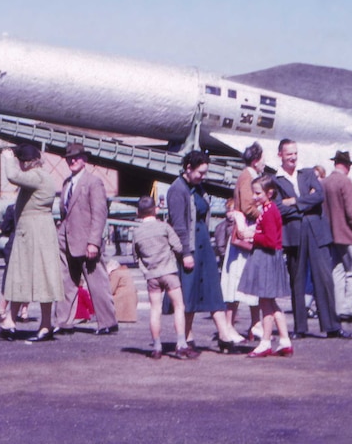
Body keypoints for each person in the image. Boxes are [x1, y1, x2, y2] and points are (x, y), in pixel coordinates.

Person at [273, 139, 352, 340]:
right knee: (297, 280)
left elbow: (318, 196)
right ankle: (300, 328)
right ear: (280, 155)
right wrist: (303, 204)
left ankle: (332, 327)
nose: (292, 157)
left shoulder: (308, 173)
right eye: (288, 153)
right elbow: (277, 208)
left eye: (295, 153)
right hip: (294, 234)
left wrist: (295, 202)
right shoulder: (275, 180)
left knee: (324, 279)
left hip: (317, 232)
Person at [167, 150, 244, 351]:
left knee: (212, 289)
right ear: (188, 168)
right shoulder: (177, 190)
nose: (203, 176)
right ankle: (187, 337)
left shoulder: (198, 187)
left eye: (205, 172)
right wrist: (185, 253)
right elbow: (179, 225)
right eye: (200, 172)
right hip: (190, 247)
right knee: (189, 293)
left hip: (203, 243)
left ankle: (224, 335)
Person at [0, 145, 63, 342]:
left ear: (26, 162)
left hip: (34, 233)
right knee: (22, 275)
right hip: (33, 232)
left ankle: (45, 325)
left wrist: (8, 158)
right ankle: (11, 320)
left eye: (20, 161)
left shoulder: (36, 175)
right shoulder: (42, 175)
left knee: (38, 276)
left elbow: (12, 176)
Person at [54, 143, 118, 336]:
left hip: (86, 242)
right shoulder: (66, 183)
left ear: (84, 160)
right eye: (69, 158)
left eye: (76, 157)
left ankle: (108, 322)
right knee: (66, 282)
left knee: (97, 282)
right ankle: (63, 322)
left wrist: (94, 242)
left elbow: (99, 214)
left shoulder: (93, 182)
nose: (72, 161)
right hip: (66, 240)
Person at [131, 196, 197, 359]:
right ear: (156, 210)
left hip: (152, 275)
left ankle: (157, 346)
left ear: (138, 213)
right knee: (179, 307)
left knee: (155, 310)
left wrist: (145, 269)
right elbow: (178, 247)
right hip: (169, 272)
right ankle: (181, 344)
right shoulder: (164, 227)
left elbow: (135, 256)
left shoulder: (137, 232)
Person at [238, 175, 292, 358]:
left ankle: (265, 342)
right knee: (270, 301)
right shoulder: (269, 209)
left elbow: (269, 240)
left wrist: (251, 235)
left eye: (257, 193)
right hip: (269, 257)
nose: (254, 197)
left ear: (269, 193)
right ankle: (284, 340)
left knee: (265, 301)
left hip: (267, 257)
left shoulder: (269, 212)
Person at [322, 150, 352, 322]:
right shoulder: (346, 183)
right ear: (348, 166)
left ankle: (338, 306)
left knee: (338, 271)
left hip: (331, 234)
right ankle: (348, 306)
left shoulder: (324, 182)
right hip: (348, 234)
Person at [222, 142, 263, 340]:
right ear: (256, 160)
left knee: (251, 281)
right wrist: (266, 214)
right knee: (237, 282)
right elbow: (248, 207)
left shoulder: (249, 176)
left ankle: (255, 324)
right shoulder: (248, 177)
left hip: (248, 236)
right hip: (245, 236)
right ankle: (229, 326)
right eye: (262, 159)